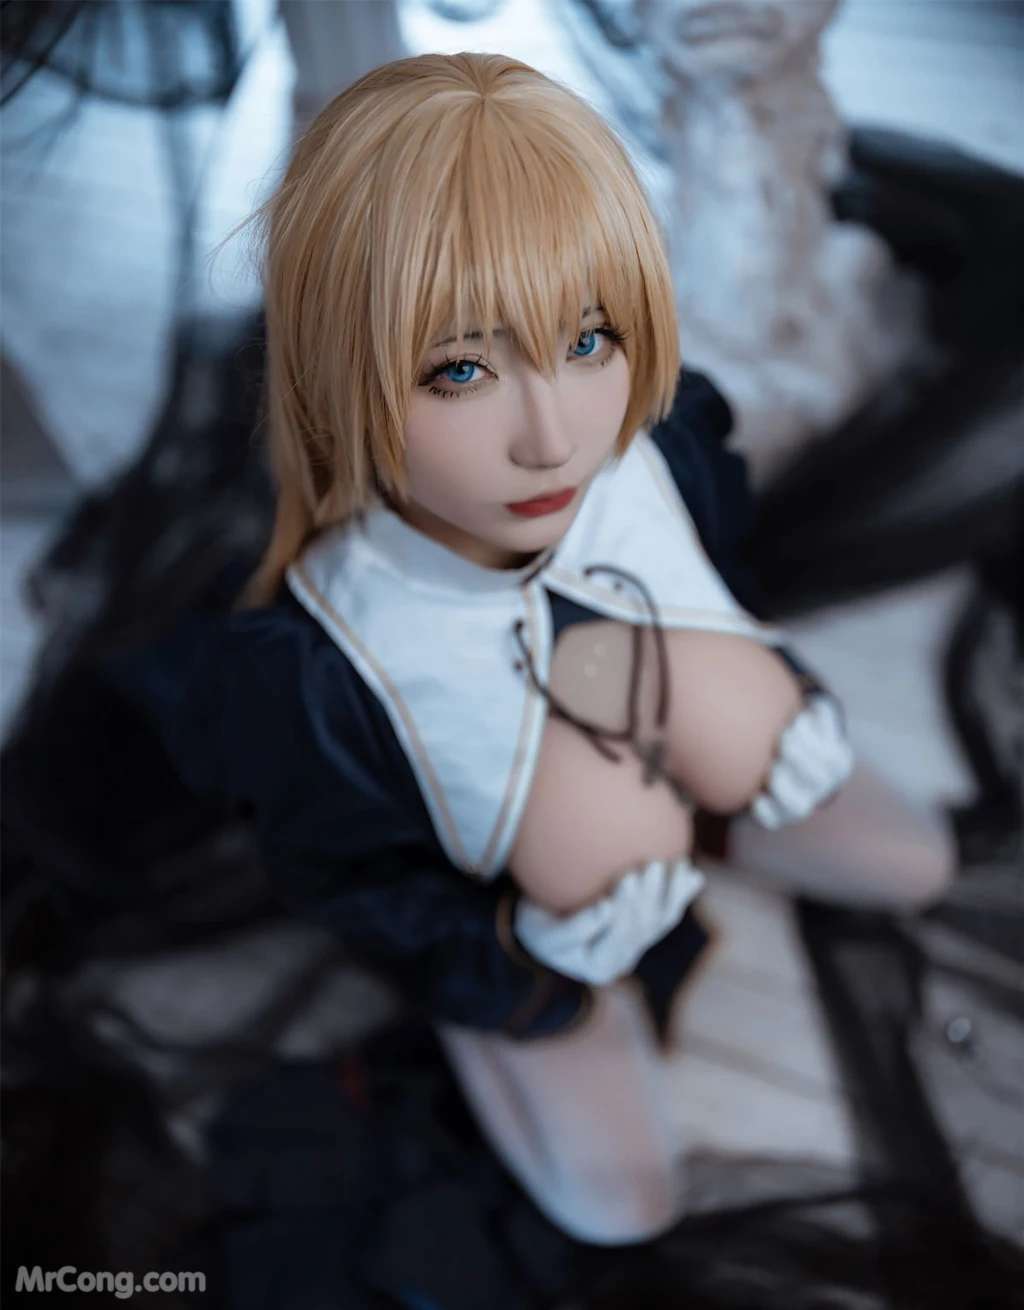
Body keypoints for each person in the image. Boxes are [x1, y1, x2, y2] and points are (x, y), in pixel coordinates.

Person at [107, 51, 926, 1247]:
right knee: (620, 1206)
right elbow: (363, 883)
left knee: (912, 859)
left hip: (637, 695)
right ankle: (560, 937)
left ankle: (702, 799)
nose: (550, 436)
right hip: (483, 886)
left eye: (587, 340)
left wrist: (738, 710)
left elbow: (713, 581)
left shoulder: (656, 452)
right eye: (461, 369)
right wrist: (520, 952)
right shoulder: (316, 673)